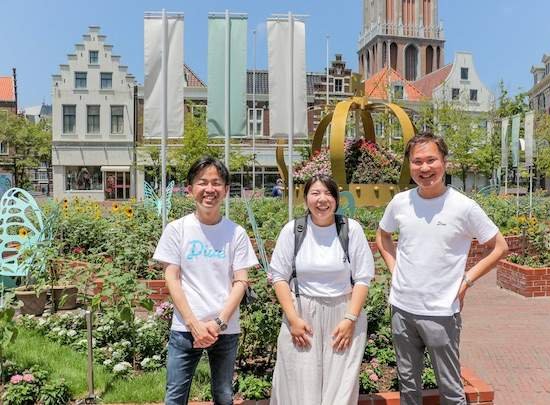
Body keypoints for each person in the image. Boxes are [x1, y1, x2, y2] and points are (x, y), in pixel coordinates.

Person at [376, 133, 508, 405]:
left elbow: (499, 247)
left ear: (444, 162)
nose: (424, 168)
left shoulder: (463, 207)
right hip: (402, 308)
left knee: (450, 390)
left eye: (431, 160)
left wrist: (466, 281)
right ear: (409, 165)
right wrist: (395, 270)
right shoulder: (400, 202)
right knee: (408, 386)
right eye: (417, 161)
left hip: (441, 312)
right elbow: (382, 236)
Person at [153, 156, 259, 405]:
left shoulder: (236, 233)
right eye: (202, 182)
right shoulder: (176, 229)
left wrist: (219, 322)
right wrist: (194, 324)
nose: (209, 189)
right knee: (175, 397)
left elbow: (241, 281)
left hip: (225, 329)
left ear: (225, 190)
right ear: (190, 189)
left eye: (216, 183)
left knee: (223, 395)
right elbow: (172, 278)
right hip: (185, 328)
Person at [269, 174, 375, 405]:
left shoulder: (351, 230)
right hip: (301, 315)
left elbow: (363, 278)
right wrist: (293, 319)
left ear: (336, 199)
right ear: (306, 198)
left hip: (344, 315)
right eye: (315, 193)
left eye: (328, 193)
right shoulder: (293, 230)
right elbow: (278, 276)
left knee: (340, 388)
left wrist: (350, 319)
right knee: (298, 385)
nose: (322, 199)